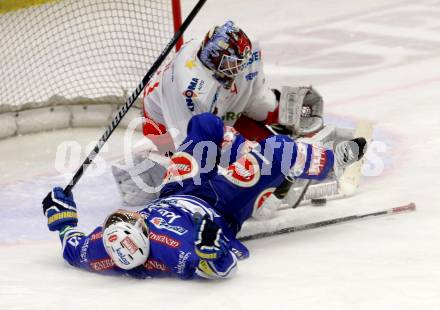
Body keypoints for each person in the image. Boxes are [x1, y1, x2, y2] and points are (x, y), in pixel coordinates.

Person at [44, 113, 366, 280]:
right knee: (277, 150)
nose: (130, 213)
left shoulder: (106, 247)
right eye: (132, 220)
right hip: (221, 204)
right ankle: (332, 163)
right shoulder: (176, 253)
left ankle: (248, 153)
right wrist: (212, 252)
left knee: (205, 125)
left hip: (177, 189)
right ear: (140, 235)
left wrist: (61, 216)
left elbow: (72, 248)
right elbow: (221, 268)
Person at [113, 20, 327, 206]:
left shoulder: (248, 49)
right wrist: (253, 162)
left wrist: (279, 112)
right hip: (163, 127)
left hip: (219, 111)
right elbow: (194, 146)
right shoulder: (188, 87)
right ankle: (140, 175)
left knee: (267, 151)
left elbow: (254, 93)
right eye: (228, 65)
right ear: (211, 56)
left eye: (237, 65)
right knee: (201, 173)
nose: (234, 70)